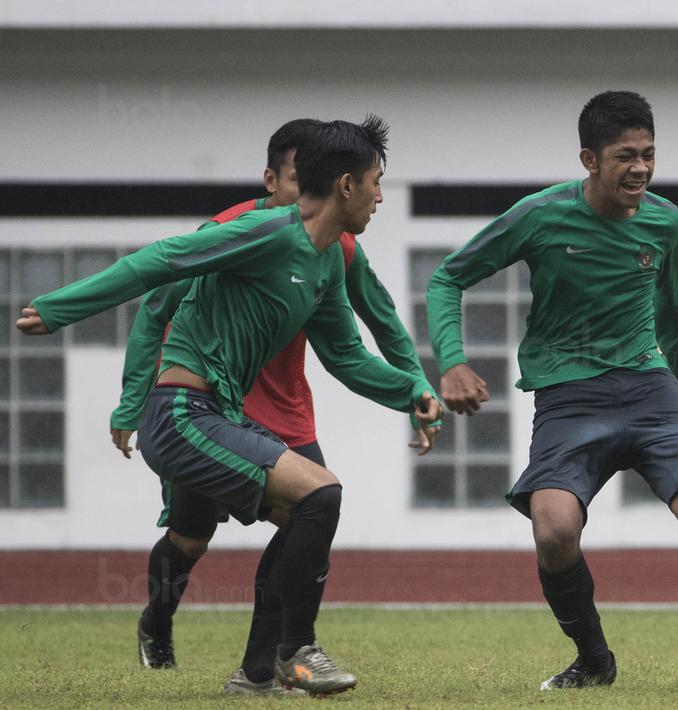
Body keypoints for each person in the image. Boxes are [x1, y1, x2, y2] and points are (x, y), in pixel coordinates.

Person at [18, 115, 443, 697]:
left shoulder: (326, 264)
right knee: (311, 498)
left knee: (309, 509)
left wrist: (413, 392)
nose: (379, 196)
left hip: (221, 417)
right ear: (346, 185)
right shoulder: (269, 230)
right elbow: (165, 260)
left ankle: (257, 673)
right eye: (376, 181)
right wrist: (64, 307)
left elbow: (347, 356)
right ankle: (293, 650)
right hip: (179, 413)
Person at [426, 90, 678, 690]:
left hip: (648, 386)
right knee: (554, 530)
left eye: (648, 155)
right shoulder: (540, 215)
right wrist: (453, 362)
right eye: (624, 156)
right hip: (569, 397)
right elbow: (446, 277)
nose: (639, 169)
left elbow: (674, 299)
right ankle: (593, 659)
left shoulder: (665, 221)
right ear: (589, 160)